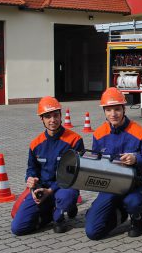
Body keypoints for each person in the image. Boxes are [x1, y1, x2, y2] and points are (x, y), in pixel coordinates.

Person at [85, 87, 142, 240]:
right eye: (108, 110)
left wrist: (136, 159)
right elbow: (96, 163)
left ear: (124, 109)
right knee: (93, 232)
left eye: (117, 109)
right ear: (104, 111)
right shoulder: (99, 134)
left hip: (135, 184)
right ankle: (120, 215)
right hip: (110, 186)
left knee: (132, 202)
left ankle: (137, 218)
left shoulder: (139, 132)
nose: (113, 114)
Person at [11, 96, 84, 235]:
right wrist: (31, 180)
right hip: (42, 189)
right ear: (42, 119)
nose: (53, 120)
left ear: (61, 115)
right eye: (48, 116)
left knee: (65, 198)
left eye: (56, 115)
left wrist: (51, 190)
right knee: (18, 228)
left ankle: (60, 215)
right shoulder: (35, 144)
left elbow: (74, 173)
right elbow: (32, 168)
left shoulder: (75, 140)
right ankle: (49, 213)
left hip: (64, 187)